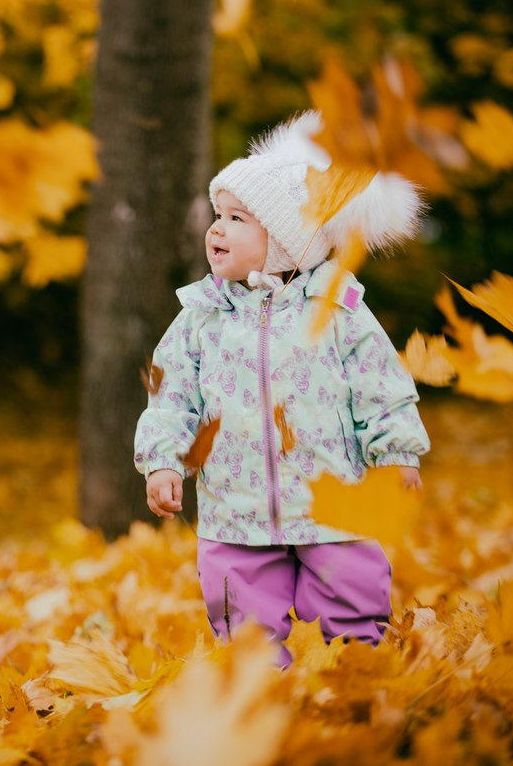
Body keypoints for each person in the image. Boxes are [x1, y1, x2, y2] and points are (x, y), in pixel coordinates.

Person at [133, 111, 430, 667]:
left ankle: (350, 681)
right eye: (218, 215)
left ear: (287, 242)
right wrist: (163, 461)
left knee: (352, 604)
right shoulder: (202, 315)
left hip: (333, 502)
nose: (216, 229)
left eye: (237, 218)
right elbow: (170, 394)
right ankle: (259, 697)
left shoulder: (337, 309)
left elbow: (381, 383)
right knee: (243, 625)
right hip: (234, 511)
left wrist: (396, 453)